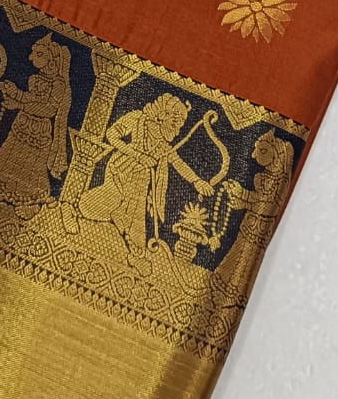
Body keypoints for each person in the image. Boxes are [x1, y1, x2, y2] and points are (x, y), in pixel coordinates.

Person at [79, 93, 212, 253]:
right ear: (163, 115)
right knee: (106, 202)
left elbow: (179, 164)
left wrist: (197, 181)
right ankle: (79, 211)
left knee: (136, 232)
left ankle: (126, 238)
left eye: (180, 126)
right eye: (174, 123)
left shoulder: (163, 146)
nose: (177, 131)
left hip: (140, 183)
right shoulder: (137, 119)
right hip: (120, 171)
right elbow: (111, 134)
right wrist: (138, 156)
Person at [0, 34, 73, 203]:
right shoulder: (35, 78)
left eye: (39, 54)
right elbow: (31, 98)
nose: (32, 58)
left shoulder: (59, 84)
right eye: (33, 53)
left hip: (39, 130)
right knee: (11, 156)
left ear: (52, 59)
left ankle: (25, 199)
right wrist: (14, 92)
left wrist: (19, 105)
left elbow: (49, 110)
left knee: (31, 164)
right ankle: (0, 191)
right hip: (23, 122)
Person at [213, 131, 293, 296]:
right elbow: (259, 201)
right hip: (250, 223)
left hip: (260, 226)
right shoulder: (261, 177)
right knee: (239, 253)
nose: (254, 155)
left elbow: (267, 204)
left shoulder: (280, 181)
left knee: (247, 259)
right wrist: (242, 201)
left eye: (261, 151)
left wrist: (243, 195)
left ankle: (233, 291)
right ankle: (226, 285)